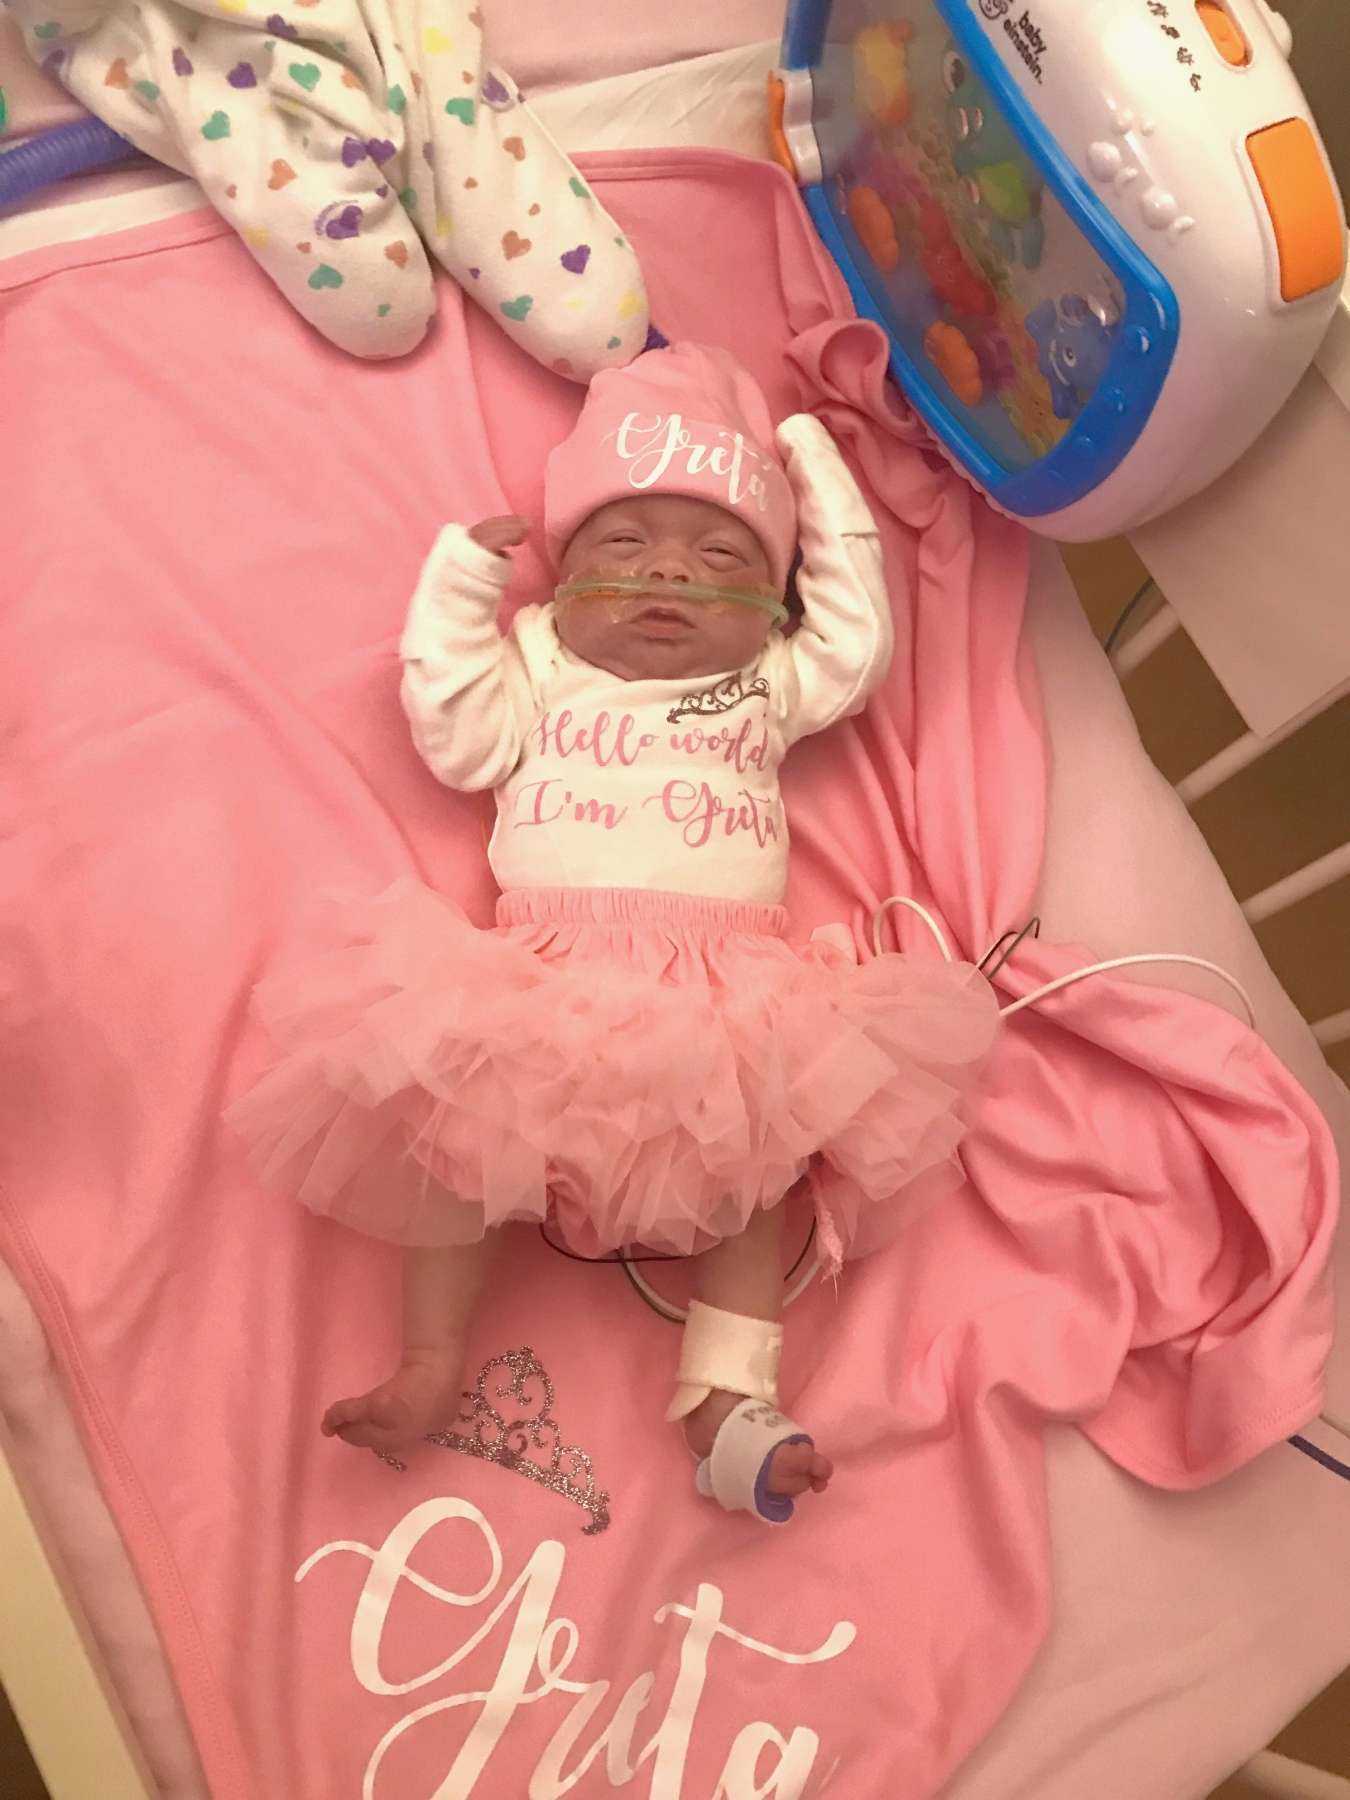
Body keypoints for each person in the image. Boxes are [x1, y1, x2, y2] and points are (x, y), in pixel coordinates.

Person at [229, 343, 998, 1522]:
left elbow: (856, 646)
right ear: (561, 581)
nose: (669, 573)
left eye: (722, 555)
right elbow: (458, 738)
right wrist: (459, 592)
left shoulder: (772, 680)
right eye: (622, 545)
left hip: (728, 995)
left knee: (754, 1177)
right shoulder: (540, 659)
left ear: (773, 598)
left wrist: (812, 470)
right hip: (542, 977)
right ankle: (430, 1361)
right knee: (456, 1145)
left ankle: (727, 1395)